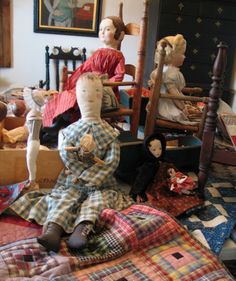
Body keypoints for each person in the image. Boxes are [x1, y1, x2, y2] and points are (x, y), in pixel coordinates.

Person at [10, 73, 133, 253]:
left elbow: (112, 161)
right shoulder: (69, 132)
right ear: (78, 96)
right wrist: (80, 174)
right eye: (84, 92)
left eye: (96, 92)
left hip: (102, 184)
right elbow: (66, 155)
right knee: (64, 198)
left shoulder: (110, 133)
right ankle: (53, 229)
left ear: (101, 96)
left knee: (98, 201)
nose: (90, 96)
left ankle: (82, 229)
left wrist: (92, 177)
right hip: (72, 182)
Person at [42, 15, 126, 137]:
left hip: (105, 90)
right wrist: (74, 80)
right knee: (67, 94)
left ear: (120, 34)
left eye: (107, 29)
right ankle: (58, 122)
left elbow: (119, 75)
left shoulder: (118, 56)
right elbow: (85, 67)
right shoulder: (98, 52)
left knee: (76, 95)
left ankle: (65, 124)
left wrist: (103, 85)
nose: (102, 32)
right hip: (90, 84)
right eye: (100, 29)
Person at [148, 34, 202, 125]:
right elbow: (174, 94)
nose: (184, 57)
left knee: (194, 111)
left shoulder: (163, 69)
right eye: (182, 54)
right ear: (172, 55)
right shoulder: (170, 73)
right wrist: (182, 107)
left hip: (159, 105)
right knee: (199, 118)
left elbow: (176, 91)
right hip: (167, 108)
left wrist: (185, 101)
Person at [129, 133, 166, 203]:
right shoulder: (148, 166)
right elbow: (141, 180)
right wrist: (137, 193)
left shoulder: (163, 160)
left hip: (165, 184)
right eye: (154, 150)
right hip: (153, 187)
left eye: (160, 148)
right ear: (147, 150)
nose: (158, 152)